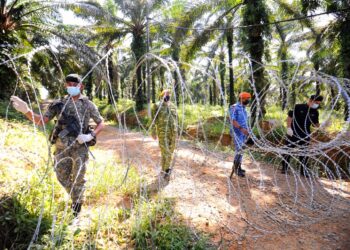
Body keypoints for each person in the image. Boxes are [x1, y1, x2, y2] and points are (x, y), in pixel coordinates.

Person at [10, 74, 104, 216]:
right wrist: (27, 111)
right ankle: (75, 196)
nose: (71, 87)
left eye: (74, 84)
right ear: (65, 86)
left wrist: (90, 135)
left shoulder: (88, 105)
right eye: (68, 84)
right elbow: (41, 121)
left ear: (81, 87)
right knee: (62, 177)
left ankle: (77, 208)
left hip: (80, 147)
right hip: (61, 147)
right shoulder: (58, 104)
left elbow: (101, 123)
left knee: (79, 177)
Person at [281, 94, 324, 177]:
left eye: (318, 103)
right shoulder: (298, 107)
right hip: (293, 133)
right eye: (316, 103)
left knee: (304, 154)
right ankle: (284, 168)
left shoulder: (315, 112)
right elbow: (290, 117)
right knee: (287, 151)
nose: (317, 105)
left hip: (305, 135)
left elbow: (315, 124)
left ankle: (303, 171)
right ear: (310, 100)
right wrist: (289, 128)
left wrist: (323, 126)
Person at [151, 89, 177, 180]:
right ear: (162, 95)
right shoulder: (157, 106)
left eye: (169, 94)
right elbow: (153, 119)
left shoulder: (173, 106)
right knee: (167, 152)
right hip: (162, 133)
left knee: (167, 152)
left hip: (173, 133)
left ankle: (163, 170)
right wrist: (153, 131)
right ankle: (167, 170)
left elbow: (176, 120)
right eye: (166, 94)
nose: (168, 95)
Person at [229, 92, 251, 178]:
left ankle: (239, 167)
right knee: (239, 150)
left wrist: (248, 130)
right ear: (241, 99)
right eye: (246, 99)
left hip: (244, 133)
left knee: (241, 150)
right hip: (237, 132)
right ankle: (236, 169)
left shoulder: (244, 108)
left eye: (249, 99)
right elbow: (233, 121)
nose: (248, 101)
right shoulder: (234, 107)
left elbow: (245, 121)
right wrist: (241, 128)